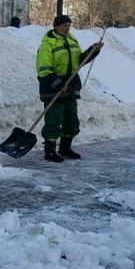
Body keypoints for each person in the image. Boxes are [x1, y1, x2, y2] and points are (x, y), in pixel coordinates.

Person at [36, 14, 103, 162]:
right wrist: (58, 83)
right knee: (53, 119)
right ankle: (50, 151)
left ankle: (65, 148)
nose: (67, 28)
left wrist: (93, 51)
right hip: (53, 87)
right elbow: (44, 69)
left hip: (70, 85)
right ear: (56, 26)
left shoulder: (72, 40)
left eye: (69, 25)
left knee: (71, 120)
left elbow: (79, 61)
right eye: (65, 26)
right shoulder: (47, 45)